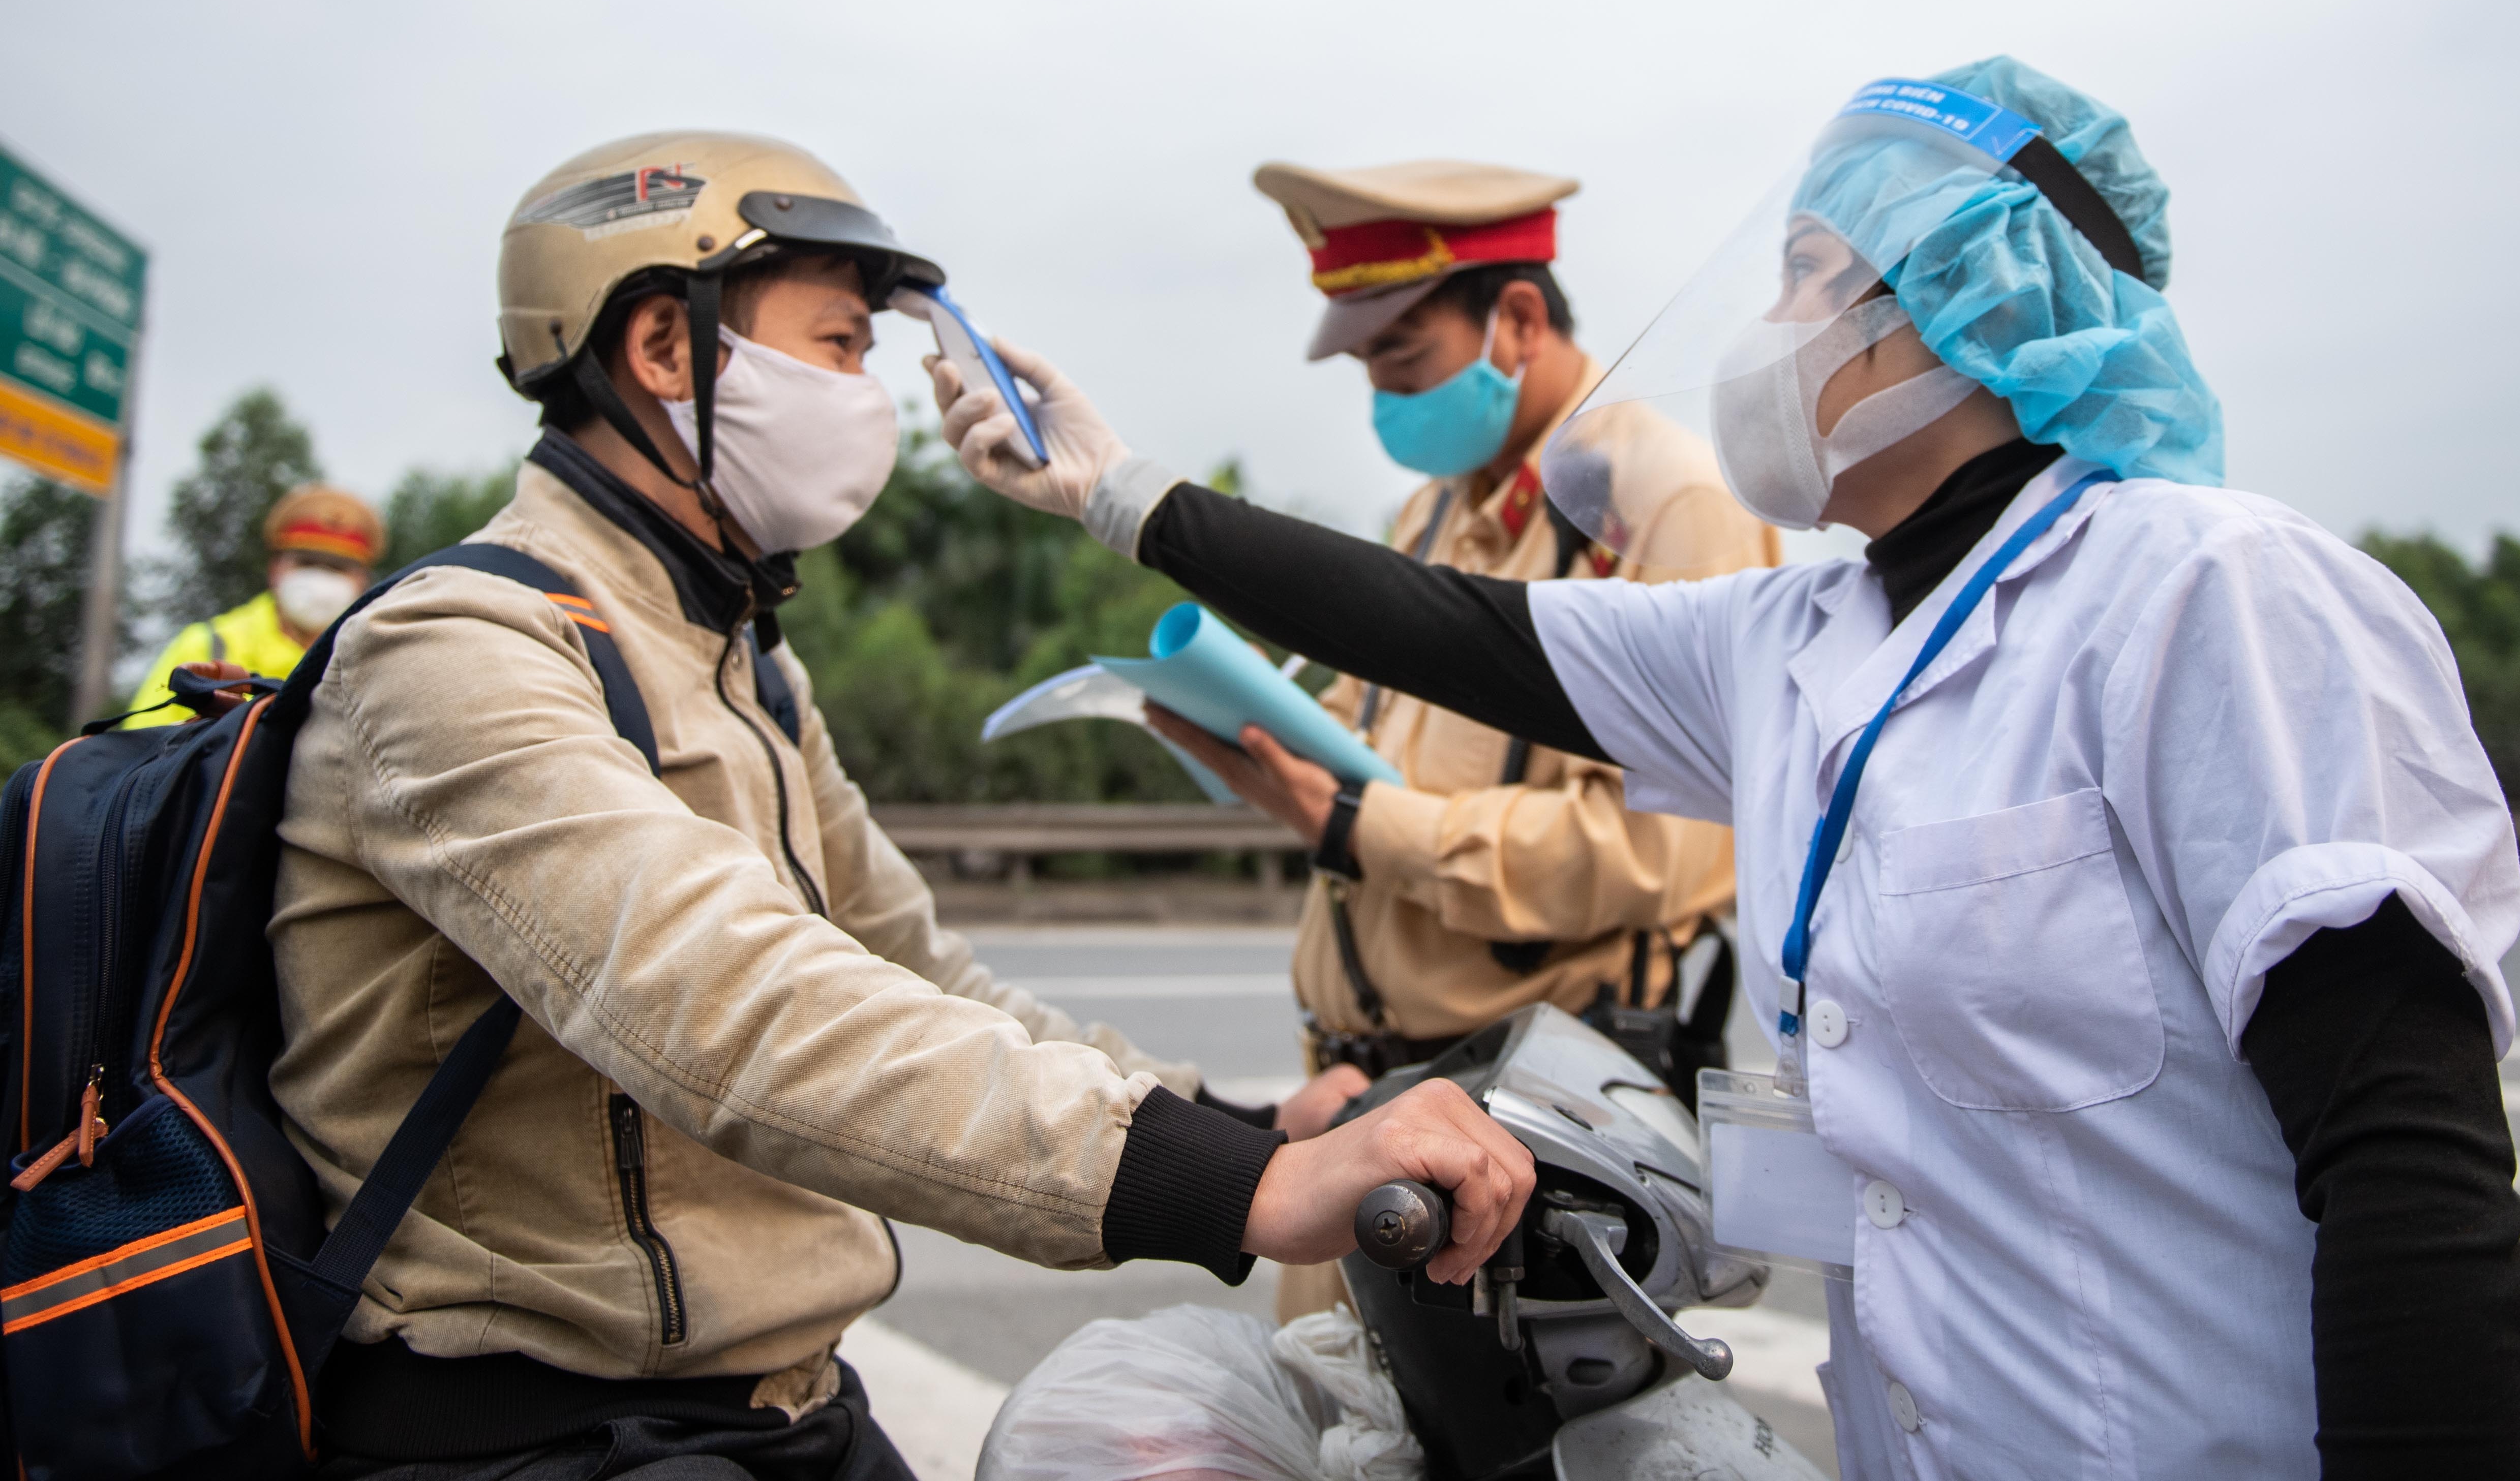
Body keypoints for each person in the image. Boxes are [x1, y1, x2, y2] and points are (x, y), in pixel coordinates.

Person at [936, 59, 2520, 1478]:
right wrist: (1116, 490)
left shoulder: (2213, 597)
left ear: (1959, 306)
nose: (1766, 326)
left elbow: (2404, 1164)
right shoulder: (1798, 631)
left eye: (1803, 274)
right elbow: (1463, 631)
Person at [272, 131, 1535, 1481]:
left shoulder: (737, 656)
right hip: (542, 1427)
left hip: (770, 1404)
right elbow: (722, 1000)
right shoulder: (461, 650)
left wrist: (1236, 1122)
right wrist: (1241, 1194)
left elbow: (914, 973)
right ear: (663, 349)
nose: (869, 393)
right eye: (837, 345)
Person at [1156, 159, 1774, 1322]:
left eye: (1401, 360)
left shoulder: (1663, 500)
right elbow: (1381, 733)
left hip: (1524, 1134)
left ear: (1518, 322)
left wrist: (1352, 823)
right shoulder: (1434, 510)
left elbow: (1671, 851)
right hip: (1366, 1106)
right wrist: (1259, 731)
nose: (1383, 400)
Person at [124, 483, 383, 724]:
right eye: (307, 563)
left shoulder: (381, 659)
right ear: (275, 570)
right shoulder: (208, 647)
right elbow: (140, 761)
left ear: (363, 582)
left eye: (338, 569)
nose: (321, 581)